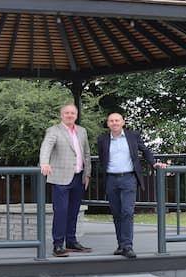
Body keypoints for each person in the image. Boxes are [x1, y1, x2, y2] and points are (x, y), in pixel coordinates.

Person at [97, 112, 167, 259]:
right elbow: (102, 159)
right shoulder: (102, 139)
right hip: (111, 179)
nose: (114, 123)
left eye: (117, 120)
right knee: (116, 213)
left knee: (127, 212)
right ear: (108, 124)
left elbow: (145, 150)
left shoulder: (132, 136)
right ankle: (121, 245)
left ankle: (128, 246)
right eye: (111, 121)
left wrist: (154, 163)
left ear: (123, 122)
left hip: (129, 178)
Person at [39, 103, 92, 257]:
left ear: (76, 115)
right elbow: (46, 147)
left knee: (73, 212)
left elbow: (86, 154)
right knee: (61, 212)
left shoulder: (82, 131)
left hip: (78, 177)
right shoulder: (54, 130)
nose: (70, 115)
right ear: (61, 115)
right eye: (67, 113)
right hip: (60, 177)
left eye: (73, 113)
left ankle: (71, 242)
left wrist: (87, 174)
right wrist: (44, 163)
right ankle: (58, 245)